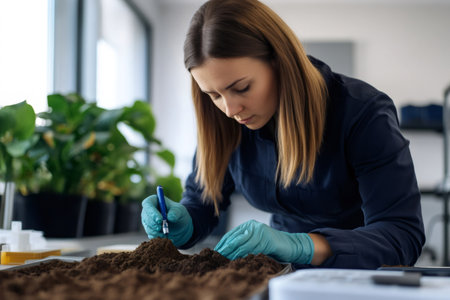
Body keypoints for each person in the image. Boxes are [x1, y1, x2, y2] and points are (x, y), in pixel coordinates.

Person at [141, 0, 425, 269]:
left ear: (280, 62)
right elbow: (203, 202)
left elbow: (401, 235)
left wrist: (303, 246)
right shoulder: (223, 120)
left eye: (242, 88)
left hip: (359, 273)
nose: (229, 109)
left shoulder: (363, 113)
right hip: (278, 273)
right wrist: (184, 222)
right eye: (214, 94)